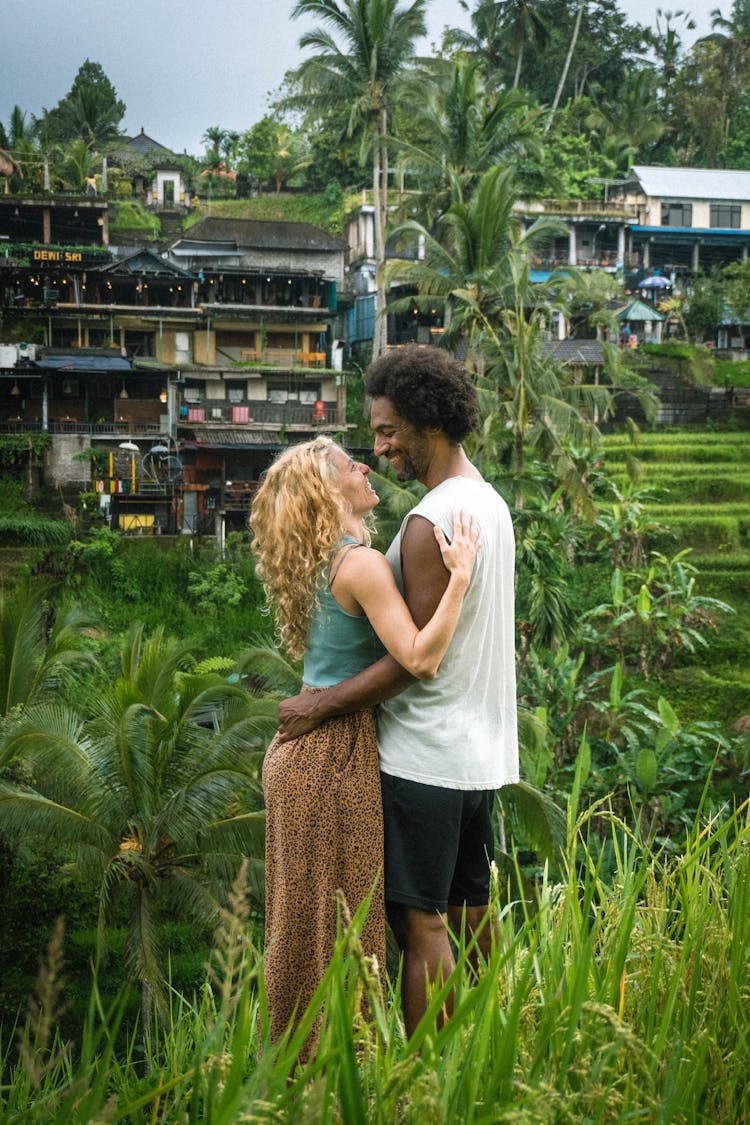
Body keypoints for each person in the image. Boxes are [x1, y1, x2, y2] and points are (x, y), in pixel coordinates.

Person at [277, 345, 519, 1038]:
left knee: (422, 921)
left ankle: (433, 1073)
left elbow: (416, 659)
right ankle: (492, 1047)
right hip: (480, 755)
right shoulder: (490, 506)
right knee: (472, 909)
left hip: (424, 755)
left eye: (387, 430)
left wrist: (320, 703)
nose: (379, 447)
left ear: (424, 421)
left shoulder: (426, 522)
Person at [249, 435, 480, 1057]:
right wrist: (459, 580)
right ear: (328, 491)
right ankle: (337, 1069)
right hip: (332, 754)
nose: (362, 465)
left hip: (299, 755)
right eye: (346, 465)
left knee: (303, 927)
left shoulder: (327, 560)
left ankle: (299, 1072)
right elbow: (420, 659)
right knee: (339, 929)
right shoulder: (363, 565)